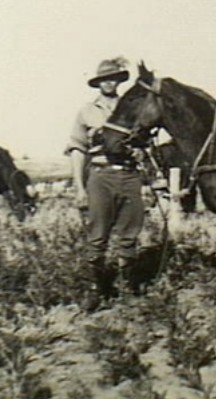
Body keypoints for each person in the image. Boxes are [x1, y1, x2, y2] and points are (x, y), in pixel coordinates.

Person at [65, 57, 145, 311]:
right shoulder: (87, 111)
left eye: (114, 78)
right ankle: (95, 289)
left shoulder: (132, 108)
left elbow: (144, 142)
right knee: (97, 235)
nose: (109, 83)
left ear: (120, 81)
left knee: (129, 235)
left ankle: (128, 287)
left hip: (130, 176)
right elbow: (77, 150)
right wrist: (79, 187)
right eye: (104, 79)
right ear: (98, 83)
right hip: (101, 176)